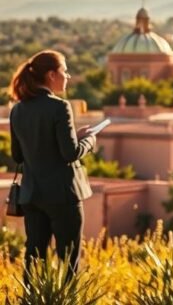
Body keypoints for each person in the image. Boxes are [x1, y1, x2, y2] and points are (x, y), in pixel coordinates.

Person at [8, 50, 96, 279]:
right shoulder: (60, 107)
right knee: (69, 261)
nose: (68, 76)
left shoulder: (17, 109)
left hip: (32, 196)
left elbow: (17, 155)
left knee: (34, 259)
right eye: (64, 71)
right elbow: (70, 153)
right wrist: (89, 140)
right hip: (63, 196)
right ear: (51, 75)